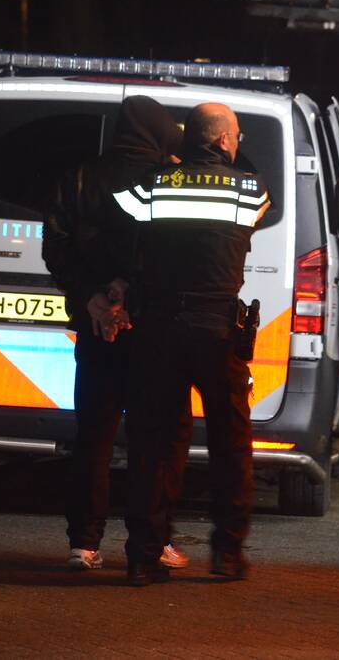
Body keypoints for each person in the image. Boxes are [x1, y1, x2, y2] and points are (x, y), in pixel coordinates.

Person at [114, 102, 271, 586]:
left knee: (154, 444)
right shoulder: (250, 189)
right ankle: (227, 552)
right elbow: (261, 206)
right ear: (224, 141)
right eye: (237, 136)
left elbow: (126, 215)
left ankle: (143, 556)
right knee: (231, 443)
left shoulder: (153, 186)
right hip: (217, 332)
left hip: (158, 329)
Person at [42, 95, 192, 571]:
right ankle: (154, 540)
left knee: (94, 435)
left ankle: (83, 543)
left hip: (95, 325)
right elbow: (171, 251)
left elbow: (55, 244)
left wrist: (93, 297)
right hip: (153, 330)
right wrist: (127, 294)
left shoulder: (80, 176)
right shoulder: (169, 181)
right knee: (156, 438)